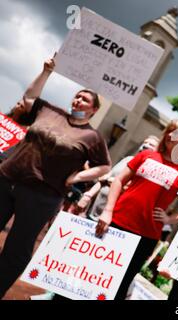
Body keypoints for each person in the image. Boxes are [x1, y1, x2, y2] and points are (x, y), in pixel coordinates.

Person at [0, 57, 111, 298]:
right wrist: (46, 72)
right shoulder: (49, 110)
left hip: (42, 196)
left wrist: (77, 177)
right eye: (77, 95)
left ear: (93, 109)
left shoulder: (93, 136)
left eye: (85, 99)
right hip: (8, 177)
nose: (78, 99)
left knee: (17, 249)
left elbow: (104, 166)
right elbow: (28, 98)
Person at [95, 120, 178, 300]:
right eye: (171, 132)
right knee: (93, 272)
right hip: (115, 223)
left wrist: (169, 219)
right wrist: (108, 211)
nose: (174, 138)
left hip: (146, 236)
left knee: (120, 283)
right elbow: (118, 181)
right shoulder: (147, 155)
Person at [74, 134, 161, 219]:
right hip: (93, 210)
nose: (145, 145)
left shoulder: (149, 170)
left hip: (113, 217)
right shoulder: (127, 159)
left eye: (151, 145)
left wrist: (111, 181)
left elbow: (130, 188)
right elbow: (103, 179)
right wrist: (88, 196)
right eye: (145, 142)